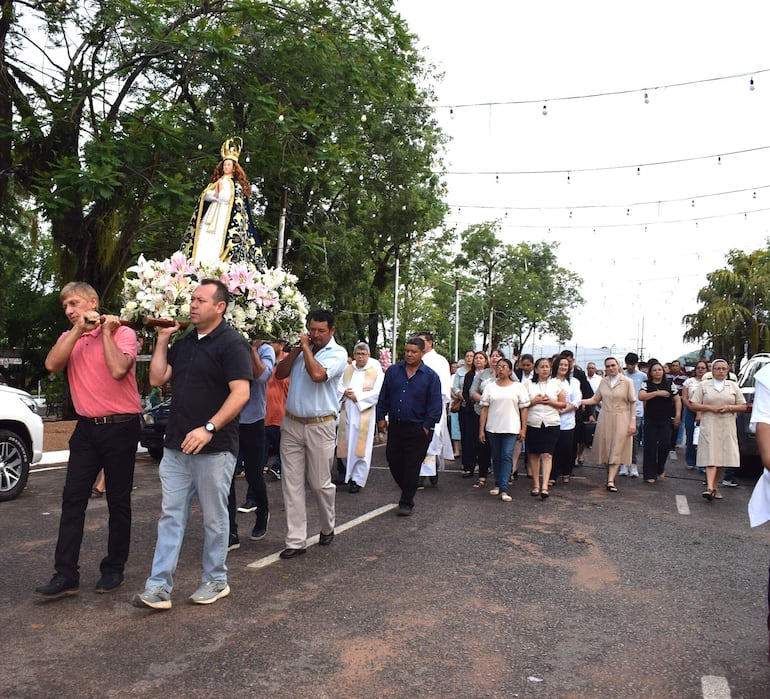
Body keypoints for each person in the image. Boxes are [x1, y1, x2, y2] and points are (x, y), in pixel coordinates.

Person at [132, 279, 252, 610]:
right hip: (175, 447)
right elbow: (157, 378)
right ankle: (158, 587)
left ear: (220, 306)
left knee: (215, 518)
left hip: (214, 448)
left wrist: (209, 428)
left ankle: (216, 580)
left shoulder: (232, 344)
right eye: (192, 299)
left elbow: (241, 393)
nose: (193, 304)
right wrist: (162, 339)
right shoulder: (185, 343)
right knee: (170, 516)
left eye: (201, 300)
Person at [34, 282, 142, 601]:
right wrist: (78, 332)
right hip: (86, 429)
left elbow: (119, 370)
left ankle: (114, 568)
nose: (69, 310)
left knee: (118, 501)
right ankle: (66, 574)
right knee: (72, 499)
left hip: (121, 426)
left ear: (92, 302)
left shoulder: (123, 333)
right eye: (65, 306)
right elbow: (52, 364)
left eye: (75, 303)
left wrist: (106, 332)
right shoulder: (70, 339)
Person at [274, 310, 348, 559]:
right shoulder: (301, 350)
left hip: (321, 425)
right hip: (292, 423)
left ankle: (328, 524)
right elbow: (279, 373)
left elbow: (318, 376)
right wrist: (297, 349)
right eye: (312, 330)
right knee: (291, 483)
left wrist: (307, 349)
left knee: (319, 484)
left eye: (321, 331)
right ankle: (296, 540)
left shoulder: (338, 353)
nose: (315, 335)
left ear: (332, 331)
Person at [376, 336, 442, 516]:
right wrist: (380, 417)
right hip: (396, 426)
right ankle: (408, 487)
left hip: (419, 428)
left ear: (422, 353)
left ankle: (406, 502)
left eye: (414, 352)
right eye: (407, 351)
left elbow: (435, 405)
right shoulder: (393, 371)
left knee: (412, 465)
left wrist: (427, 426)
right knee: (393, 459)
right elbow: (384, 396)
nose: (410, 354)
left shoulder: (430, 377)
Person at [180, 138, 262, 266]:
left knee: (219, 240)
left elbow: (228, 197)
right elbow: (205, 195)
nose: (226, 167)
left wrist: (216, 196)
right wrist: (215, 196)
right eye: (224, 164)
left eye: (229, 165)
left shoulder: (236, 185)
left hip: (225, 216)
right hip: (211, 214)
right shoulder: (216, 182)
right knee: (204, 237)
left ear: (234, 168)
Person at [227, 337, 274, 550]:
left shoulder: (265, 350)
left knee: (254, 475)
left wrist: (252, 349)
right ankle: (230, 530)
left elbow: (262, 376)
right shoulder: (226, 344)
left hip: (253, 421)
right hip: (228, 419)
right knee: (226, 476)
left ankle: (262, 512)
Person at [688, 358, 748, 501]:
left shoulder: (733, 386)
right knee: (711, 454)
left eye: (723, 369)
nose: (720, 371)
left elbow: (743, 406)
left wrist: (730, 408)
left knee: (721, 457)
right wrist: (709, 408)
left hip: (727, 424)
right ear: (712, 370)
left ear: (727, 371)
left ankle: (714, 487)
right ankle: (709, 487)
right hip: (710, 422)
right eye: (717, 368)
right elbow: (693, 404)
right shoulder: (704, 386)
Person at [581, 356, 637, 493]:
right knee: (606, 448)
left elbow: (633, 402)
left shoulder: (627, 382)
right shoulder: (603, 382)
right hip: (605, 417)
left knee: (617, 448)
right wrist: (579, 401)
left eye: (613, 365)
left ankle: (611, 480)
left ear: (618, 366)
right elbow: (595, 399)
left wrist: (632, 421)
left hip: (621, 417)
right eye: (608, 366)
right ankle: (610, 474)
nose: (611, 368)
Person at [478, 358, 530, 501]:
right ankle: (497, 484)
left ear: (510, 370)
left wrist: (523, 429)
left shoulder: (518, 387)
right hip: (493, 427)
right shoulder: (490, 387)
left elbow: (524, 409)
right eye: (499, 366)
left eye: (504, 367)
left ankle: (504, 488)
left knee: (506, 455)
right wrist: (481, 430)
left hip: (511, 427)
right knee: (496, 456)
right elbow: (484, 410)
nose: (501, 369)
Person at [336, 342, 384, 493]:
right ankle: (346, 475)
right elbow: (338, 385)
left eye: (363, 354)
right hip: (347, 412)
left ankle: (357, 479)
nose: (360, 357)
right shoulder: (348, 368)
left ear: (368, 355)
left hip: (364, 412)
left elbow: (378, 391)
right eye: (358, 354)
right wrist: (344, 392)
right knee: (345, 444)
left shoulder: (375, 369)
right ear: (354, 355)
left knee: (360, 448)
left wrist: (359, 397)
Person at [524, 357, 566, 498]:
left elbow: (563, 404)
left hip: (551, 422)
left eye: (547, 367)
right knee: (534, 454)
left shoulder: (556, 384)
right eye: (542, 367)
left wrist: (551, 402)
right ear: (536, 369)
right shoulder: (528, 384)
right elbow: (522, 404)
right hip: (533, 423)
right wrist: (534, 401)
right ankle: (536, 484)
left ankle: (544, 486)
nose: (545, 369)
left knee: (547, 454)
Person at [417, 331, 455, 487]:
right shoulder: (416, 359)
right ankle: (424, 470)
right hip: (417, 404)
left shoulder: (439, 361)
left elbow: (444, 384)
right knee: (418, 437)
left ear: (430, 343)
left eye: (422, 341)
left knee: (432, 437)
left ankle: (428, 471)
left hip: (433, 403)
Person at [639, 360, 681, 483]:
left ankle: (660, 466)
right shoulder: (646, 384)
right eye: (654, 370)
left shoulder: (669, 383)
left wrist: (678, 415)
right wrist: (658, 393)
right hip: (650, 419)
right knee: (650, 445)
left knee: (665, 444)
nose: (657, 372)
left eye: (660, 370)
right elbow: (641, 396)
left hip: (666, 419)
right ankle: (649, 474)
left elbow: (677, 400)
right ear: (651, 373)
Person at [469, 349, 504, 488]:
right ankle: (482, 476)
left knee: (501, 448)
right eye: (492, 356)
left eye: (498, 356)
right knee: (483, 446)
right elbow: (472, 391)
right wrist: (485, 400)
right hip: (482, 413)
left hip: (501, 415)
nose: (495, 358)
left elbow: (517, 390)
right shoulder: (483, 374)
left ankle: (502, 477)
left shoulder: (509, 374)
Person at [551, 354, 582, 484]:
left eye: (566, 365)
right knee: (553, 449)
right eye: (561, 364)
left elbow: (577, 400)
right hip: (551, 419)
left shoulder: (574, 382)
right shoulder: (550, 381)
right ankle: (552, 475)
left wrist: (564, 410)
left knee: (566, 448)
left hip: (567, 421)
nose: (563, 367)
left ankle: (566, 471)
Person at [264, 339, 290, 481]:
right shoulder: (264, 360)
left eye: (272, 342)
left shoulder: (289, 361)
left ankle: (278, 467)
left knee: (283, 446)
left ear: (282, 344)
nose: (268, 346)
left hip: (282, 414)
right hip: (264, 414)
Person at [460, 351, 488, 481]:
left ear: (486, 361)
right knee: (468, 439)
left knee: (483, 440)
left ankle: (484, 466)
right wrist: (473, 401)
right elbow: (466, 392)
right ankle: (468, 466)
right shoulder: (469, 375)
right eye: (476, 358)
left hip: (487, 412)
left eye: (481, 358)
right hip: (470, 411)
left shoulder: (490, 375)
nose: (477, 360)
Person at [620, 352, 645, 478]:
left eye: (632, 364)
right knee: (623, 437)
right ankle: (623, 463)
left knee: (634, 438)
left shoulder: (642, 376)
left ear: (636, 364)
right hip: (623, 410)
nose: (629, 367)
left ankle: (633, 464)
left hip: (637, 411)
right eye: (628, 364)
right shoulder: (622, 375)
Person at [681, 360, 708, 470]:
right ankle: (690, 460)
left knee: (704, 437)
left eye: (703, 368)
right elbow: (684, 397)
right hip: (690, 410)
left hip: (706, 411)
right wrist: (692, 407)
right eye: (698, 368)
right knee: (691, 435)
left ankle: (703, 463)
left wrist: (700, 411)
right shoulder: (689, 381)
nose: (700, 370)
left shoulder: (709, 383)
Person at [452, 350, 474, 461]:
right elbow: (455, 387)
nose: (469, 358)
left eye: (472, 356)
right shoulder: (459, 372)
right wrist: (462, 396)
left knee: (474, 435)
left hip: (476, 407)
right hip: (463, 405)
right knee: (464, 434)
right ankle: (466, 462)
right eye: (467, 356)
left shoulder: (479, 372)